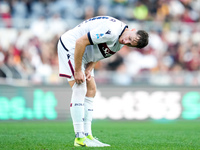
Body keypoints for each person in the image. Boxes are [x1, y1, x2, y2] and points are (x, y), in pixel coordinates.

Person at [57, 16, 149, 147]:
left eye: (130, 44)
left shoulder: (121, 42)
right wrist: (78, 70)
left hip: (85, 53)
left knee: (91, 90)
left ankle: (88, 135)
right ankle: (79, 138)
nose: (126, 41)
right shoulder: (111, 30)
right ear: (132, 29)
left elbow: (99, 53)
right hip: (71, 45)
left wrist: (90, 67)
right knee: (80, 87)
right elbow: (80, 42)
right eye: (130, 38)